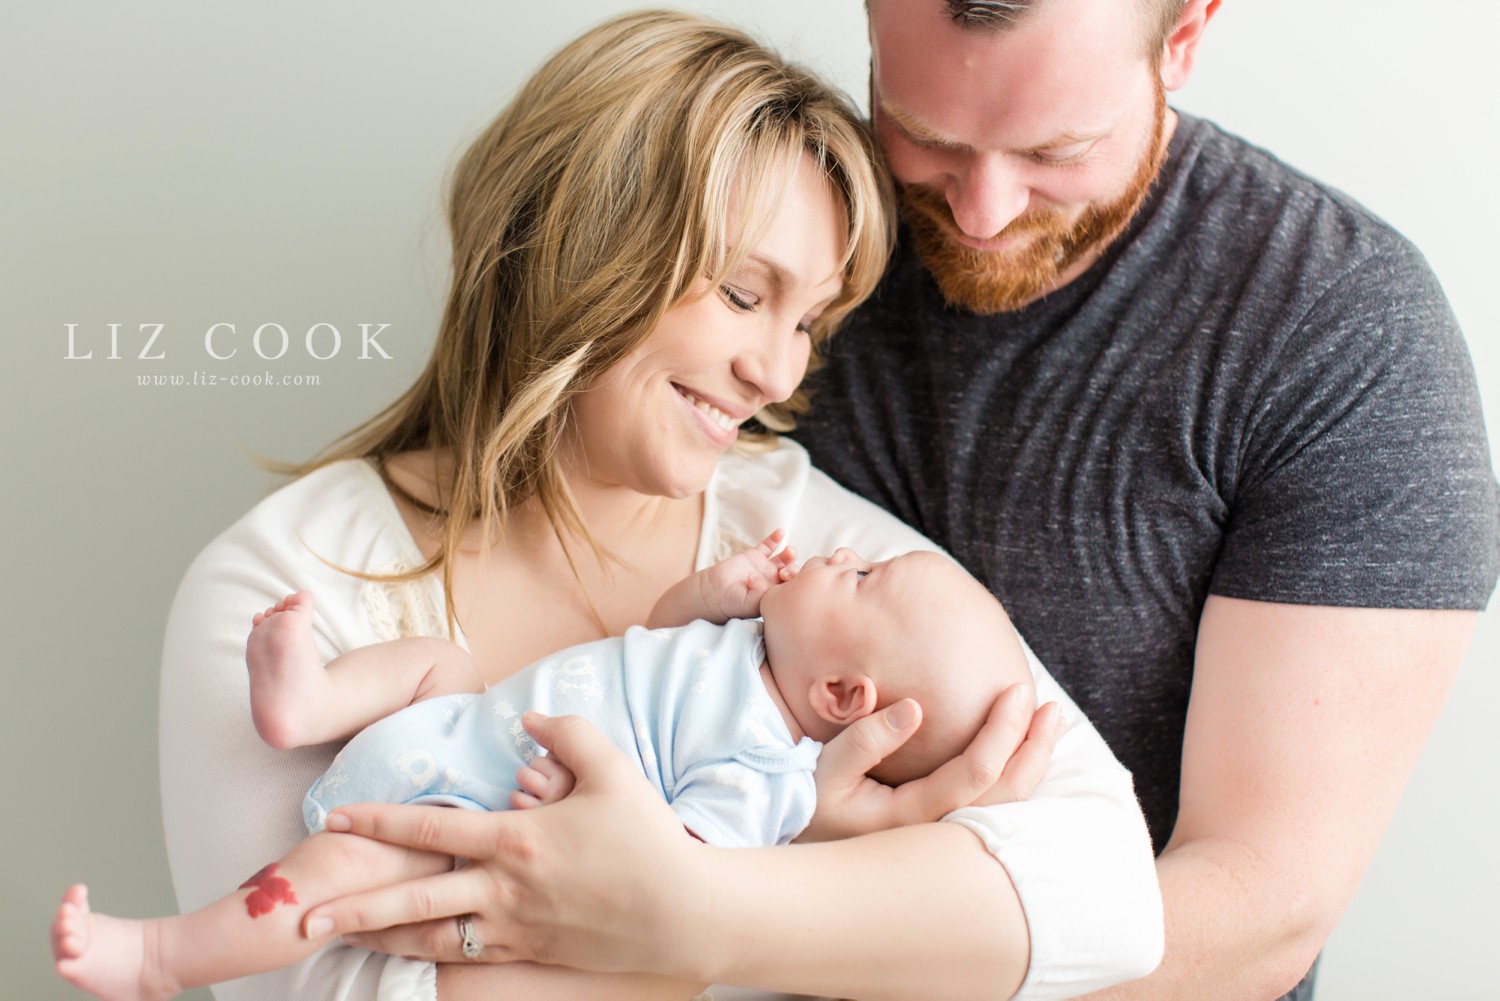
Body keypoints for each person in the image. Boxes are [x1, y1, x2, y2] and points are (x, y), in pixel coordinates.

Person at [152, 10, 1162, 1001]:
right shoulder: (288, 587)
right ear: (575, 250)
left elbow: (1112, 900)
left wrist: (707, 902)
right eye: (739, 292)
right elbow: (325, 976)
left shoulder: (798, 545)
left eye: (808, 317)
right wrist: (800, 895)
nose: (776, 370)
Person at [788, 1, 1500, 998]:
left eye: (1055, 147)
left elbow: (1259, 910)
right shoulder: (771, 241)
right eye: (925, 135)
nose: (982, 209)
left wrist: (729, 913)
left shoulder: (1343, 334)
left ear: (1187, 33)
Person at [55, 540, 1042, 1001]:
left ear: (842, 697)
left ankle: (161, 960)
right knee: (438, 653)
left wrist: (576, 806)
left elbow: (670, 867)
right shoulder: (743, 640)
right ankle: (304, 704)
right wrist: (705, 591)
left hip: (465, 815)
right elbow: (648, 637)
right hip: (460, 718)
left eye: (860, 579)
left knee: (328, 884)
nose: (839, 556)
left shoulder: (766, 771)